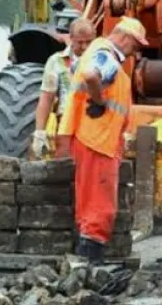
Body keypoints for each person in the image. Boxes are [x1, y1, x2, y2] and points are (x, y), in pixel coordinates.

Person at [56, 17, 148, 264]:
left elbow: (79, 72)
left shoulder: (95, 50)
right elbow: (90, 75)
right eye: (135, 45)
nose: (135, 52)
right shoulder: (107, 56)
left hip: (90, 137)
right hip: (99, 140)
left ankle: (85, 260)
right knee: (101, 205)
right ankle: (92, 261)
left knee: (88, 202)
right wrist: (99, 101)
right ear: (125, 38)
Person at [31, 19, 97, 159]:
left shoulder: (101, 61)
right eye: (80, 42)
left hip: (94, 126)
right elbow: (46, 98)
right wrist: (39, 132)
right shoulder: (57, 61)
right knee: (65, 167)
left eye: (89, 42)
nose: (85, 47)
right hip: (66, 126)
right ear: (71, 38)